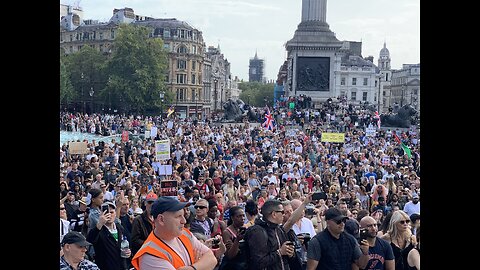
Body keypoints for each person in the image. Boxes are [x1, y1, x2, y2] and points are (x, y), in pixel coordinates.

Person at [131, 196, 217, 270]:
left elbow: (212, 258)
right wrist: (200, 263)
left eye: (183, 215)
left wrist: (192, 268)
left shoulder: (184, 234)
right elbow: (208, 261)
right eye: (178, 216)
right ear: (161, 219)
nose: (184, 221)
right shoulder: (150, 255)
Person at [244, 199, 295, 270]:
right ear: (274, 214)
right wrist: (280, 252)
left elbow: (285, 257)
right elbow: (259, 262)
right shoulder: (257, 232)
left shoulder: (279, 229)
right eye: (282, 212)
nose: (284, 215)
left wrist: (290, 253)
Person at [86, 201, 132, 270]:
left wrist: (128, 252)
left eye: (112, 212)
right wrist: (100, 224)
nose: (109, 215)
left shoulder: (119, 227)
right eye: (106, 212)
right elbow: (90, 240)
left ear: (115, 214)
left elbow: (127, 242)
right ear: (101, 214)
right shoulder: (98, 229)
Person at [130, 192, 157, 256]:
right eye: (149, 202)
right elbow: (134, 240)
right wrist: (149, 244)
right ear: (145, 203)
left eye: (154, 203)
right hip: (144, 254)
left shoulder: (159, 218)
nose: (152, 205)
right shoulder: (138, 220)